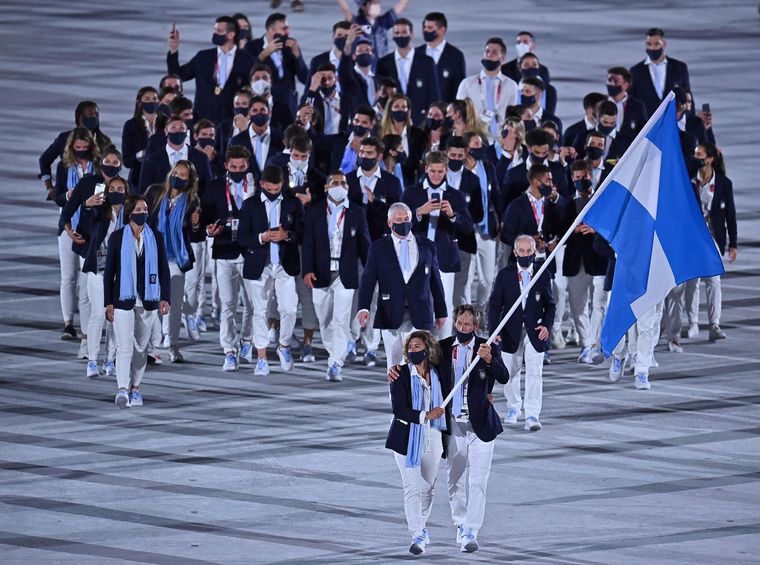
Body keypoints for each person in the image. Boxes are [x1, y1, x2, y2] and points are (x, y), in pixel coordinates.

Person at [356, 202, 447, 369]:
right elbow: (368, 280)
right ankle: (397, 395)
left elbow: (436, 281)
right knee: (395, 363)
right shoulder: (378, 248)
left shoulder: (427, 245)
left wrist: (441, 311)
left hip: (420, 313)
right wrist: (363, 308)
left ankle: (418, 395)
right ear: (390, 223)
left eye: (407, 219)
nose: (404, 223)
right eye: (399, 220)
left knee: (418, 362)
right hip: (390, 313)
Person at [302, 171, 371, 380]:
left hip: (345, 274)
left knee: (341, 320)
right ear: (326, 187)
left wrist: (371, 273)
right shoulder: (314, 212)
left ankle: (335, 363)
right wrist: (307, 271)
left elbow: (365, 245)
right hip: (320, 274)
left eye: (343, 183)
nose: (339, 186)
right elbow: (307, 244)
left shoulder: (357, 212)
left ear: (348, 187)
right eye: (334, 183)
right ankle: (336, 351)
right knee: (325, 321)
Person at [104, 195, 171, 408]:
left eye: (145, 209)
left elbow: (164, 270)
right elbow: (109, 272)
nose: (143, 213)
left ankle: (135, 388)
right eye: (139, 209)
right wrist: (108, 302)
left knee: (141, 348)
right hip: (123, 299)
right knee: (124, 346)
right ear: (130, 212)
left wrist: (165, 297)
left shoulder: (157, 238)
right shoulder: (116, 238)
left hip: (148, 301)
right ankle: (122, 389)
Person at [237, 165, 304, 375]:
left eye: (277, 189)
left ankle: (283, 346)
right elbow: (241, 237)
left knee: (289, 309)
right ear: (262, 185)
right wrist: (261, 238)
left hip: (284, 265)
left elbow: (301, 232)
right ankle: (262, 358)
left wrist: (288, 236)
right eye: (270, 189)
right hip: (259, 266)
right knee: (259, 312)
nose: (274, 193)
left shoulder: (293, 204)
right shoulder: (250, 205)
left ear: (282, 184)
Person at [385, 330, 447, 555]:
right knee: (412, 487)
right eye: (410, 348)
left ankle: (420, 525)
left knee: (428, 489)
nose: (413, 351)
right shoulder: (399, 374)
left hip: (433, 438)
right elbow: (398, 409)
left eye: (417, 347)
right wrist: (425, 415)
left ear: (428, 349)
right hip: (406, 439)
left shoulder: (440, 373)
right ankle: (418, 534)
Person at [402, 151, 473, 338]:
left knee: (444, 303)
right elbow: (399, 223)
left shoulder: (455, 196)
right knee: (418, 301)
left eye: (440, 172)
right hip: (416, 257)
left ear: (446, 171)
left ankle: (444, 347)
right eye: (432, 171)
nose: (436, 175)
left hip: (444, 257)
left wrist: (452, 215)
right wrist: (418, 212)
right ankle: (419, 347)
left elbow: (467, 227)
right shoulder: (411, 192)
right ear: (426, 169)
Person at [488, 235, 555, 431]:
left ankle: (533, 414)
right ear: (515, 252)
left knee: (535, 373)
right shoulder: (505, 275)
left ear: (534, 252)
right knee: (511, 372)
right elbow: (494, 306)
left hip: (535, 333)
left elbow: (550, 306)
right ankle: (513, 408)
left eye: (529, 251)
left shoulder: (543, 274)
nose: (525, 255)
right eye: (522, 251)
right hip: (510, 332)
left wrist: (547, 327)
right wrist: (494, 331)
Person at [202, 145, 256, 371]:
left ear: (248, 165)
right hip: (224, 251)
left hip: (251, 251)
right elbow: (205, 216)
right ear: (225, 166)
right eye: (233, 167)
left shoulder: (257, 186)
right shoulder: (215, 187)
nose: (237, 170)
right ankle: (229, 351)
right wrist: (208, 230)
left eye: (241, 167)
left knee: (253, 304)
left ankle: (246, 340)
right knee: (228, 305)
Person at [144, 160, 202, 362]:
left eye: (183, 175)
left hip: (177, 259)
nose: (177, 177)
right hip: (153, 257)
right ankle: (154, 346)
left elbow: (195, 233)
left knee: (173, 304)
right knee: (153, 302)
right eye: (175, 172)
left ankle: (173, 345)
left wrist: (195, 226)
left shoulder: (192, 202)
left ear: (189, 180)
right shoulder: (154, 193)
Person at [79, 175, 129, 378]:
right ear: (107, 191)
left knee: (115, 317)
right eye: (113, 188)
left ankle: (110, 359)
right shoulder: (99, 210)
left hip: (122, 271)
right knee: (98, 314)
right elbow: (85, 221)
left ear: (126, 192)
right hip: (98, 269)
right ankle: (92, 360)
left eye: (120, 188)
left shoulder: (131, 213)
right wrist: (87, 205)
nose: (116, 191)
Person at [167, 16, 255, 124]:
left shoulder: (247, 60)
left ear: (231, 35)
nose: (215, 33)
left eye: (219, 31)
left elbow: (252, 89)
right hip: (202, 121)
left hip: (231, 121)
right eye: (214, 30)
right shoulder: (203, 57)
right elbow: (178, 75)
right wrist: (173, 50)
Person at [39, 101, 113, 202]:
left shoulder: (105, 141)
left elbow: (111, 168)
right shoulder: (64, 138)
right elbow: (45, 160)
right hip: (68, 193)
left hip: (96, 195)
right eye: (90, 114)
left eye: (96, 114)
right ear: (80, 117)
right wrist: (49, 188)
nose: (94, 117)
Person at [245, 13, 308, 122]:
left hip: (289, 107)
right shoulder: (252, 47)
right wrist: (264, 54)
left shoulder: (289, 47)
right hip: (264, 107)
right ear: (271, 31)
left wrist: (297, 55)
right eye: (284, 29)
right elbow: (247, 74)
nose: (288, 32)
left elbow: (304, 78)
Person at [376, 18, 441, 126]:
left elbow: (434, 94)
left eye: (404, 32)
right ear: (392, 36)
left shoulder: (426, 62)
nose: (400, 36)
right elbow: (381, 95)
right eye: (397, 33)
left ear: (411, 34)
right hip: (392, 122)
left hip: (420, 122)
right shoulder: (384, 63)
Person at [456, 38, 518, 141]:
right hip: (473, 138)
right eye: (487, 51)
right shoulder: (467, 83)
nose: (489, 54)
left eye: (494, 52)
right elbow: (458, 114)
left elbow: (512, 117)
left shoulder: (511, 85)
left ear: (502, 58)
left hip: (500, 139)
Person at [138, 115, 213, 195]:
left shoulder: (201, 158)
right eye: (173, 128)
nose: (178, 131)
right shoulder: (151, 160)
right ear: (166, 131)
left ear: (186, 132)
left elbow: (209, 188)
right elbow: (144, 191)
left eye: (181, 128)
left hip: (193, 205)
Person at [628, 28, 691, 117]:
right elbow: (632, 102)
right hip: (647, 125)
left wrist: (691, 123)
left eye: (656, 44)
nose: (652, 48)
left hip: (674, 123)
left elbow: (688, 97)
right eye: (649, 44)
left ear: (664, 44)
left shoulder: (679, 68)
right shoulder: (635, 72)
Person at [229, 96, 285, 180]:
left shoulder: (281, 138)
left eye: (262, 110)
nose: (259, 113)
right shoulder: (237, 140)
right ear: (249, 113)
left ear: (269, 112)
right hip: (247, 190)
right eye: (255, 110)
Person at [417, 12, 466, 104]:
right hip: (418, 114)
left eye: (430, 28)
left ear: (442, 30)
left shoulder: (455, 56)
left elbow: (459, 88)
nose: (425, 31)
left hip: (445, 112)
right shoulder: (416, 53)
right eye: (424, 27)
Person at [337, 0, 410, 59]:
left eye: (378, 3)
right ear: (363, 6)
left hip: (382, 63)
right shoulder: (357, 22)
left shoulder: (383, 21)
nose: (377, 6)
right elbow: (346, 10)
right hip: (362, 63)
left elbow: (401, 5)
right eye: (374, 3)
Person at [122, 86, 159, 192]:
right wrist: (141, 154)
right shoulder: (130, 126)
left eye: (155, 99)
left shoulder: (167, 123)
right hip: (138, 179)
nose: (151, 102)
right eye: (147, 99)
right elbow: (127, 161)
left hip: (163, 179)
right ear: (139, 103)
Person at [606, 67, 648, 138]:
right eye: (609, 80)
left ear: (626, 85)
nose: (611, 84)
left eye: (616, 81)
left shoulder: (637, 106)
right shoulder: (600, 103)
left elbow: (644, 133)